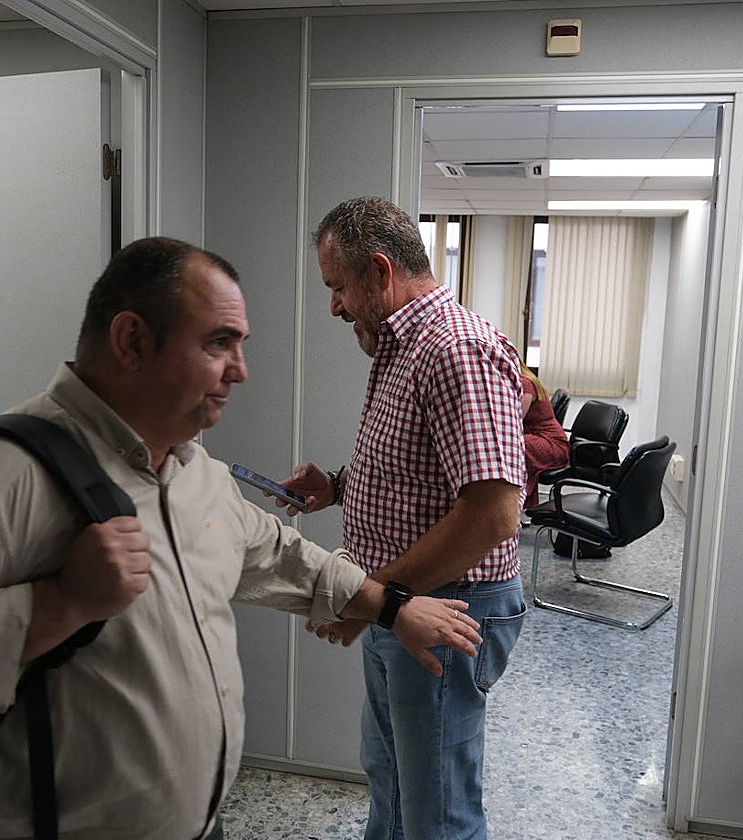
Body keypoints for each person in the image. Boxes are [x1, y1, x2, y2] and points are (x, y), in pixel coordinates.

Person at [0, 236, 486, 840]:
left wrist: (391, 608)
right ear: (132, 341)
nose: (241, 370)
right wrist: (60, 603)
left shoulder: (195, 474)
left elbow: (281, 557)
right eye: (219, 343)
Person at [278, 197, 528, 839]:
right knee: (390, 781)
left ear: (380, 271)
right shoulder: (401, 346)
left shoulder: (455, 351)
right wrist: (337, 486)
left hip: (448, 605)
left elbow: (493, 514)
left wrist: (375, 598)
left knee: (436, 811)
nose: (335, 306)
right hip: (405, 598)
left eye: (337, 287)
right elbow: (421, 469)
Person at [517, 360, 569, 508]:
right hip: (539, 437)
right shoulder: (523, 381)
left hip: (552, 443)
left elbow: (515, 419)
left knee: (517, 447)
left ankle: (516, 502)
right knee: (517, 445)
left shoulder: (525, 384)